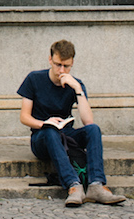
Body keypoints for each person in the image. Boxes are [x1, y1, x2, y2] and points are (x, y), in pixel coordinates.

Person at [17, 39, 125, 207]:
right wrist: (45, 123)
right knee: (50, 132)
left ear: (72, 63)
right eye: (58, 64)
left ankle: (96, 185)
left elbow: (88, 121)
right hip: (41, 137)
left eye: (66, 66)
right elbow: (24, 117)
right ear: (50, 60)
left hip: (66, 135)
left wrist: (78, 90)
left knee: (93, 130)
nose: (61, 70)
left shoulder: (75, 83)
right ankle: (73, 186)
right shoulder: (34, 79)